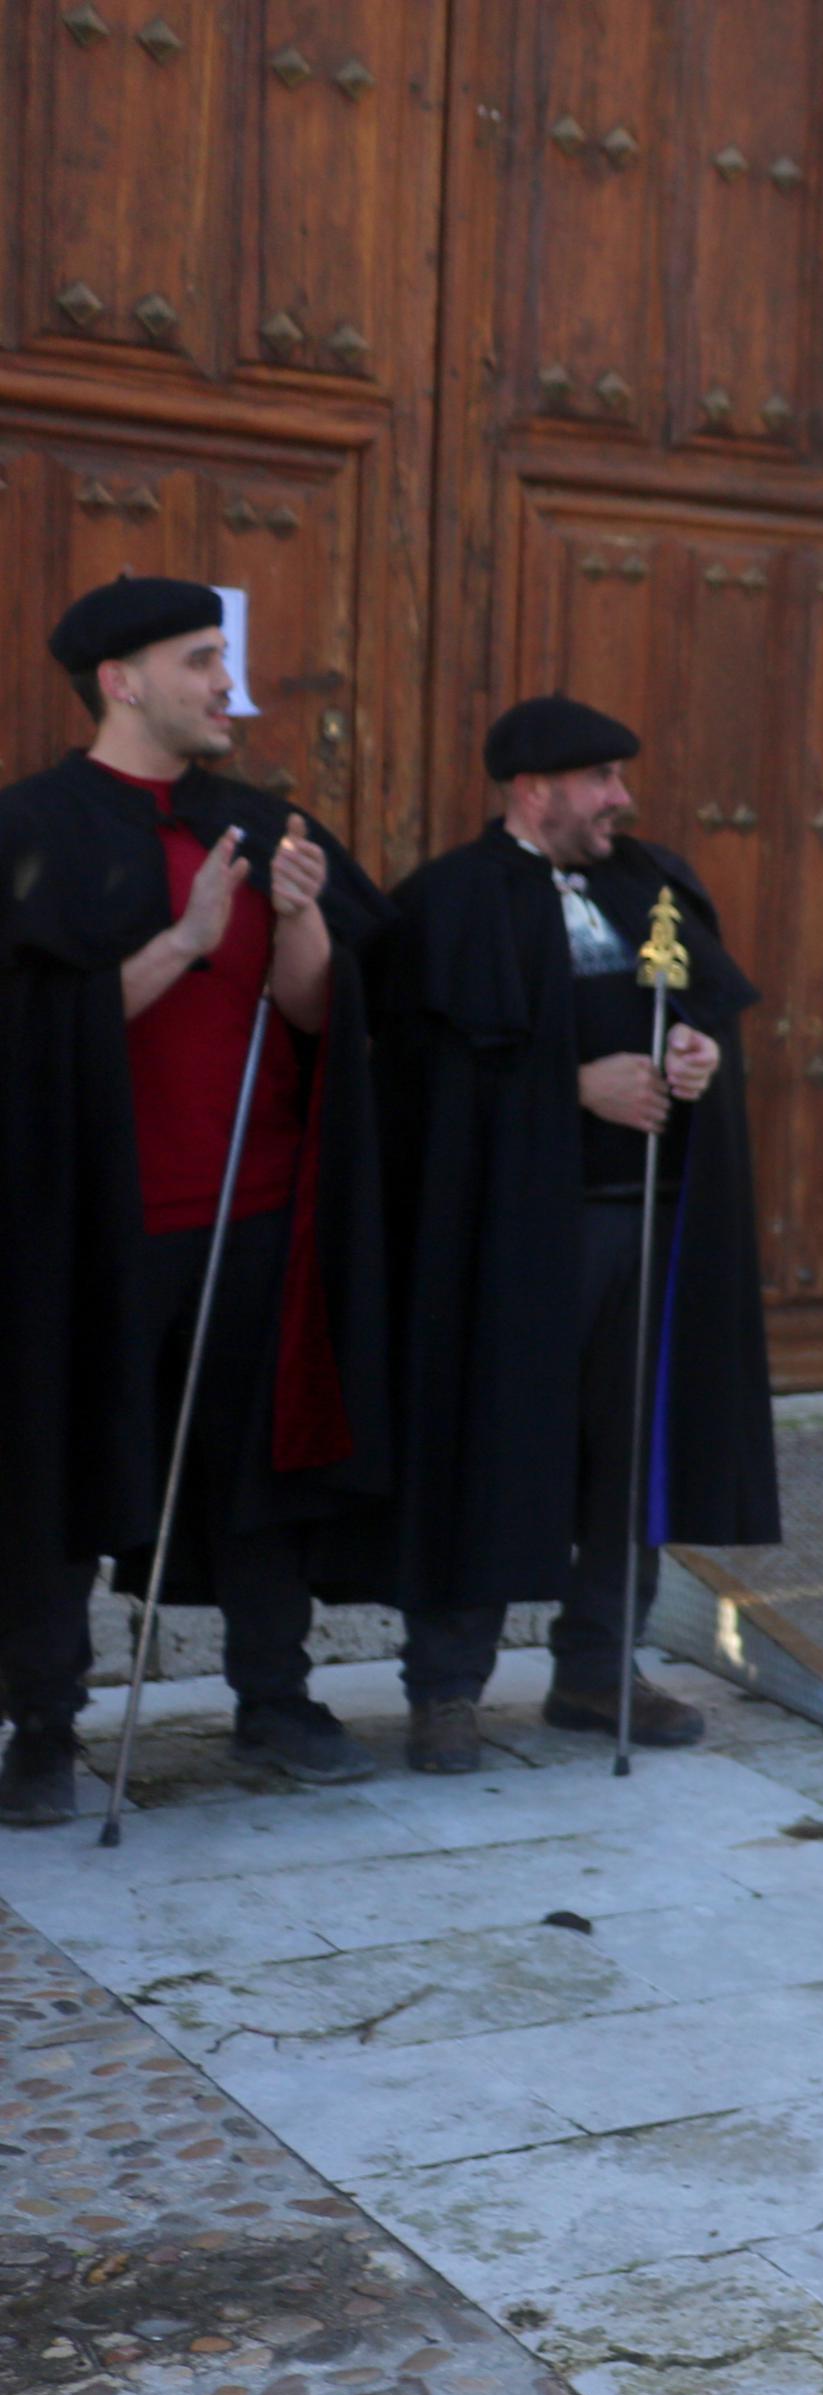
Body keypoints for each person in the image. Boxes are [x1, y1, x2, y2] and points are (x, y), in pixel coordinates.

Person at [0, 576, 398, 1824]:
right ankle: (46, 1730)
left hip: (258, 1211)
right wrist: (182, 936)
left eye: (222, 656)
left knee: (256, 1471)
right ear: (120, 681)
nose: (225, 682)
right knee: (62, 1471)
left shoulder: (266, 821)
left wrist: (293, 922)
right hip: (95, 1228)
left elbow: (322, 1016)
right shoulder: (33, 828)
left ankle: (273, 1699)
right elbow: (27, 1041)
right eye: (196, 659)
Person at [372, 697, 776, 1773]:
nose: (621, 799)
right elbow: (420, 1085)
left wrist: (697, 1060)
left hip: (643, 1223)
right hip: (509, 1243)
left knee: (627, 1456)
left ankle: (599, 1669)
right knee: (487, 1444)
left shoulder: (653, 883)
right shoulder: (447, 904)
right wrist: (569, 1089)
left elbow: (701, 1008)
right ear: (531, 789)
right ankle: (447, 1688)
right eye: (599, 779)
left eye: (620, 779)